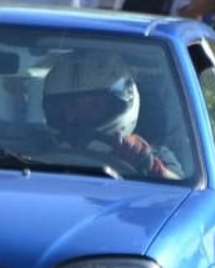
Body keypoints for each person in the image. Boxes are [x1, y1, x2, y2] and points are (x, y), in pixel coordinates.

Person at [42, 49, 183, 178]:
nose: (82, 114)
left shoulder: (151, 156)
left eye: (94, 104)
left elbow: (179, 190)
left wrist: (148, 165)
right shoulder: (39, 149)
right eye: (72, 105)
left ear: (119, 104)